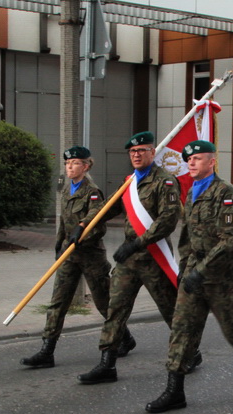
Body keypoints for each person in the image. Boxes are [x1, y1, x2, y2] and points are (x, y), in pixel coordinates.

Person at [145, 140, 233, 413]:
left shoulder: (225, 193)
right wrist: (185, 268)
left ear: (211, 162)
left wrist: (201, 271)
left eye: (197, 158)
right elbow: (187, 237)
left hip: (222, 278)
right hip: (193, 275)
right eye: (189, 160)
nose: (191, 163)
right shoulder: (191, 192)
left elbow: (229, 241)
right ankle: (174, 391)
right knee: (182, 329)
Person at [77, 132, 201, 384]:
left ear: (152, 152)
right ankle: (107, 364)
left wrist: (137, 243)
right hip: (129, 260)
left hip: (154, 258)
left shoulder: (165, 182)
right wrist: (82, 226)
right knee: (115, 309)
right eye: (132, 151)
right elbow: (106, 208)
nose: (136, 155)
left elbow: (168, 221)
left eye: (141, 150)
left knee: (171, 311)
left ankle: (190, 353)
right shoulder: (129, 182)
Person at [20, 146, 135, 368]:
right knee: (58, 302)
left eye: (74, 163)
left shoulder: (92, 192)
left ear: (86, 166)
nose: (69, 167)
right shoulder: (66, 190)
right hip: (69, 255)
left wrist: (80, 238)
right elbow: (64, 223)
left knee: (104, 303)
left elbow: (97, 225)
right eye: (67, 163)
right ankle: (47, 351)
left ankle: (125, 338)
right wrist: (59, 244)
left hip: (91, 256)